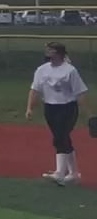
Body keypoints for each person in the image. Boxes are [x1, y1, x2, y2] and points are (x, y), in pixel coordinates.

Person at [26, 41, 87, 186]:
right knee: (63, 138)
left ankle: (59, 172)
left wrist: (88, 112)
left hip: (67, 107)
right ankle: (73, 174)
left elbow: (80, 92)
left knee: (60, 137)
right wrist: (29, 108)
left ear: (59, 53)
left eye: (51, 50)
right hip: (50, 107)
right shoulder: (42, 70)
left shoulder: (70, 70)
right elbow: (34, 90)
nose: (47, 52)